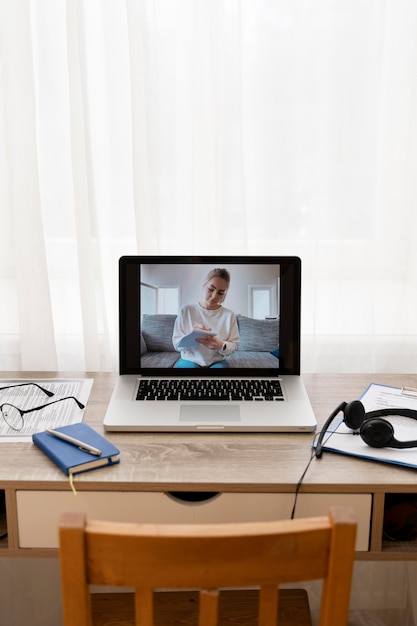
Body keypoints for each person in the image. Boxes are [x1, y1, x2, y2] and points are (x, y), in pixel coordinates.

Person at [172, 268, 239, 368]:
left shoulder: (229, 315)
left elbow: (234, 345)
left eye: (220, 293)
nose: (214, 296)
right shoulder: (186, 311)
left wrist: (221, 345)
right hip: (189, 360)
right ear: (204, 285)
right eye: (211, 289)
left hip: (217, 362)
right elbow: (176, 345)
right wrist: (192, 337)